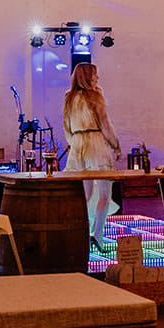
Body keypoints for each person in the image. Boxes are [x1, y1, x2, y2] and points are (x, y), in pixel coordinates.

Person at [64, 63, 121, 250]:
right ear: (88, 77)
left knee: (86, 194)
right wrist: (115, 145)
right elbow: (105, 124)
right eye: (95, 75)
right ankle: (97, 235)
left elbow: (66, 126)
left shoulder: (69, 97)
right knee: (105, 193)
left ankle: (83, 232)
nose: (97, 78)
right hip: (96, 143)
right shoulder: (96, 95)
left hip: (78, 145)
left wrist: (74, 143)